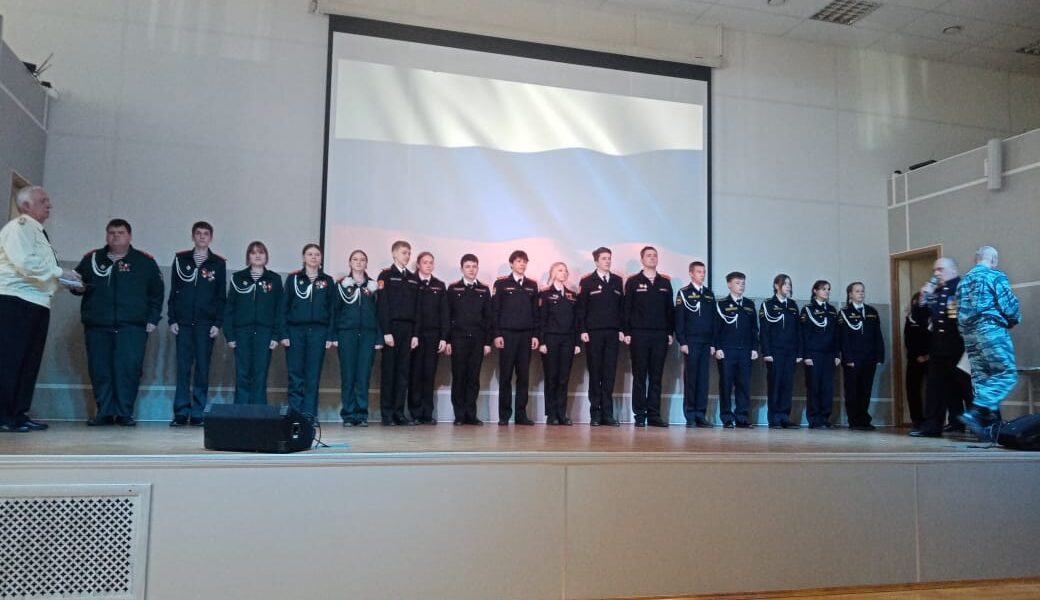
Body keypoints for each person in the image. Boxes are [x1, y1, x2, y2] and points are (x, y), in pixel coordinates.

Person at [0, 186, 81, 432]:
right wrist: (61, 272)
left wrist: (66, 282)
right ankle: (4, 416)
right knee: (11, 360)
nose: (49, 205)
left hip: (37, 303)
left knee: (29, 362)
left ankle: (18, 413)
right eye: (43, 201)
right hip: (16, 302)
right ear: (26, 205)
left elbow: (42, 273)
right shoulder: (19, 228)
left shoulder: (38, 233)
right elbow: (25, 263)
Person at [73, 219, 164, 426]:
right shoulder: (92, 259)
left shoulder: (144, 262)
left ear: (129, 236)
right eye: (112, 232)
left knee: (128, 370)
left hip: (132, 326)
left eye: (120, 232)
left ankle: (124, 413)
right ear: (106, 235)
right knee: (100, 370)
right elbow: (77, 283)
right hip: (98, 325)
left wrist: (152, 318)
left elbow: (156, 293)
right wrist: (76, 287)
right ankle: (104, 412)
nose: (115, 236)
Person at [958, 246, 1022, 441]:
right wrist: (1013, 320)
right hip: (990, 330)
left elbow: (958, 312)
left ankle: (987, 428)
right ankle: (977, 411)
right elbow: (1009, 306)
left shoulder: (962, 282)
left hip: (969, 335)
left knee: (982, 378)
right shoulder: (995, 276)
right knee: (1006, 373)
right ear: (993, 259)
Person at [167, 221, 226, 426]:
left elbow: (220, 297)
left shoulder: (218, 263)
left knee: (202, 368)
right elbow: (174, 292)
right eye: (198, 233)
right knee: (183, 368)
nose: (202, 237)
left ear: (211, 238)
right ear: (193, 236)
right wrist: (172, 319)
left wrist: (217, 323)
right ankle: (181, 412)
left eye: (205, 234)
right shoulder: (181, 259)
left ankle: (198, 412)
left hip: (205, 325)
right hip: (183, 323)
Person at [910, 258, 974, 438]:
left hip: (959, 349)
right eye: (934, 270)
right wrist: (923, 299)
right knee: (935, 390)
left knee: (968, 389)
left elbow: (961, 319)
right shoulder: (936, 292)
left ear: (953, 270)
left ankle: (984, 426)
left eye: (940, 269)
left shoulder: (962, 289)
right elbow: (919, 318)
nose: (936, 273)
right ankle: (931, 426)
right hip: (938, 349)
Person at [224, 241, 283, 406]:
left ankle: (258, 412)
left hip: (265, 333)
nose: (257, 255)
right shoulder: (238, 278)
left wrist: (275, 336)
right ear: (248, 256)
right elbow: (230, 308)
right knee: (242, 374)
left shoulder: (274, 279)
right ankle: (241, 412)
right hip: (242, 332)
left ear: (266, 256)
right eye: (253, 252)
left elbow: (279, 310)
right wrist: (230, 335)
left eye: (261, 252)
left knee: (260, 374)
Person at [280, 243, 334, 419]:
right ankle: (295, 416)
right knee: (295, 376)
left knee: (313, 377)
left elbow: (332, 310)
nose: (313, 257)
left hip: (319, 332)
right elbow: (284, 308)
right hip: (295, 332)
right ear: (304, 257)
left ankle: (309, 416)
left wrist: (329, 335)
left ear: (321, 258)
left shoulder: (327, 281)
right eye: (310, 254)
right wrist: (284, 334)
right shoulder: (293, 279)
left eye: (317, 254)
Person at [623, 246, 674, 427]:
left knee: (656, 376)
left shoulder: (665, 282)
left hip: (660, 335)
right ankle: (639, 414)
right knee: (639, 375)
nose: (652, 258)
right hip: (639, 334)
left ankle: (654, 414)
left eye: (655, 255)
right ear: (642, 259)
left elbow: (670, 310)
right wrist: (627, 332)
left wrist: (670, 332)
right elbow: (627, 308)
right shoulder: (633, 282)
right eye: (649, 255)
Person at [332, 250, 382, 427]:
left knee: (363, 376)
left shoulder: (373, 286)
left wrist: (379, 338)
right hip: (347, 334)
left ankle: (361, 414)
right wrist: (334, 335)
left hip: (368, 335)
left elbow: (379, 314)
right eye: (355, 259)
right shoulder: (342, 285)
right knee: (348, 376)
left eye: (362, 259)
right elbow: (335, 311)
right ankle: (348, 414)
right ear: (350, 263)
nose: (359, 262)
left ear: (366, 263)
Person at [576, 247, 623, 427]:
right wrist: (583, 330)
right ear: (596, 261)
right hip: (593, 333)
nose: (607, 261)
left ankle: (608, 414)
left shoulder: (617, 281)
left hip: (612, 333)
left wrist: (622, 329)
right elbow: (581, 308)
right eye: (604, 258)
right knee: (595, 373)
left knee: (609, 374)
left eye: (609, 258)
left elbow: (622, 308)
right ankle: (595, 413)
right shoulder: (587, 281)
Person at [492, 250, 539, 425]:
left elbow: (536, 313)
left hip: (526, 335)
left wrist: (535, 335)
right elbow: (495, 311)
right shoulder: (501, 283)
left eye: (525, 261)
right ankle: (504, 416)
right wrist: (497, 334)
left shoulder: (532, 285)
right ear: (511, 263)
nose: (522, 264)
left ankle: (521, 414)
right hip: (507, 335)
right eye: (519, 261)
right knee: (505, 376)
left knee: (523, 376)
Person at [446, 254, 492, 425]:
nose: (471, 270)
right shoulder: (453, 289)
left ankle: (471, 415)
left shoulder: (484, 290)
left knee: (473, 378)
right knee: (459, 377)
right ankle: (459, 415)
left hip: (478, 340)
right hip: (458, 339)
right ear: (462, 269)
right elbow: (447, 316)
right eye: (468, 266)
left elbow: (488, 318)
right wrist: (447, 340)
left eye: (474, 266)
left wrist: (487, 342)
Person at [377, 240, 419, 425]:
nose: (407, 256)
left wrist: (415, 334)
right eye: (404, 252)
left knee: (403, 372)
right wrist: (386, 331)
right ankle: (387, 414)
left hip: (408, 329)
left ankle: (399, 413)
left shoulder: (413, 278)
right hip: (392, 329)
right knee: (389, 372)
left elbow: (417, 308)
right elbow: (382, 304)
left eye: (409, 253)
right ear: (394, 254)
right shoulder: (386, 275)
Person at [409, 251, 449, 424]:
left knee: (429, 374)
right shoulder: (411, 282)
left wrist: (444, 337)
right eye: (425, 262)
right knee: (415, 374)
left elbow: (444, 313)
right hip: (416, 336)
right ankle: (415, 413)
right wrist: (413, 334)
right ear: (418, 264)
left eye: (431, 262)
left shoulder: (439, 285)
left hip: (433, 335)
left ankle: (427, 413)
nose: (428, 265)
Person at [674, 260, 716, 428]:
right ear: (691, 273)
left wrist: (713, 343)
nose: (702, 275)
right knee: (691, 379)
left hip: (706, 343)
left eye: (703, 272)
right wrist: (682, 341)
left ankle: (701, 414)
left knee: (703, 380)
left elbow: (713, 320)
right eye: (699, 272)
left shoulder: (709, 294)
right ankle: (690, 415)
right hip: (691, 342)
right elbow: (679, 320)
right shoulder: (684, 293)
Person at [713, 271, 758, 428]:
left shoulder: (749, 304)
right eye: (738, 283)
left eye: (743, 283)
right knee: (726, 385)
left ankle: (742, 417)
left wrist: (754, 347)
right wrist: (718, 347)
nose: (741, 286)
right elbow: (716, 329)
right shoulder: (721, 304)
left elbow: (754, 329)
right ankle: (726, 417)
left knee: (744, 385)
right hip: (727, 350)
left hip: (745, 350)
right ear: (729, 284)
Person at [838, 282, 884, 431]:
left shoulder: (871, 311)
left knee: (866, 390)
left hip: (869, 357)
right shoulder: (844, 312)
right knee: (853, 390)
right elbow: (843, 338)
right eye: (857, 291)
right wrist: (848, 358)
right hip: (853, 358)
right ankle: (854, 420)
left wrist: (879, 355)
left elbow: (877, 335)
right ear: (850, 294)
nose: (861, 294)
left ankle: (864, 419)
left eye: (862, 291)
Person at [539, 262, 581, 425]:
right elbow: (541, 319)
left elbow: (576, 321)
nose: (563, 273)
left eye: (565, 270)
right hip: (551, 339)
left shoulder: (572, 295)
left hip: (568, 340)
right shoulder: (545, 294)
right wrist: (542, 341)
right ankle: (551, 414)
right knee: (552, 377)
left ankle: (562, 413)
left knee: (564, 378)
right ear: (552, 273)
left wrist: (577, 343)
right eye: (560, 270)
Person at [759, 273, 802, 429]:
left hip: (790, 352)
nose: (788, 287)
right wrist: (767, 352)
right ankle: (775, 418)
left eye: (789, 284)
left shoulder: (792, 305)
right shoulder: (768, 304)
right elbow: (764, 331)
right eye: (785, 284)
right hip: (775, 352)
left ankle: (785, 417)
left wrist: (799, 353)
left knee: (787, 385)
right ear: (777, 286)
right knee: (775, 385)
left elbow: (798, 331)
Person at [801, 280, 841, 429]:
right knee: (814, 387)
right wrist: (807, 355)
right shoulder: (808, 309)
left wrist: (836, 354)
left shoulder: (831, 310)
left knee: (827, 388)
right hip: (814, 354)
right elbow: (804, 334)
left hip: (829, 354)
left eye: (828, 289)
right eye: (823, 289)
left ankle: (825, 417)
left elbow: (836, 334)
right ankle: (814, 418)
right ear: (815, 291)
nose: (827, 292)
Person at [902, 292, 930, 430]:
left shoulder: (932, 317)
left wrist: (928, 355)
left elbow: (934, 338)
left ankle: (932, 420)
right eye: (917, 301)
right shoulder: (910, 318)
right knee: (912, 389)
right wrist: (917, 355)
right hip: (914, 359)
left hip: (931, 359)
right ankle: (917, 420)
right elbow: (908, 339)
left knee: (932, 390)